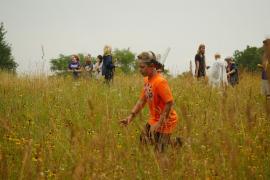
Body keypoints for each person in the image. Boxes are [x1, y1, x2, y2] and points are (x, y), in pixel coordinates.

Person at [120, 51, 180, 153]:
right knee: (143, 139)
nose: (140, 70)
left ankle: (176, 143)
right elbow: (142, 101)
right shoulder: (147, 81)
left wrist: (159, 124)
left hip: (166, 120)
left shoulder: (160, 82)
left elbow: (169, 103)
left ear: (152, 66)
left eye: (142, 67)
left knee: (159, 152)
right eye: (139, 67)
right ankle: (175, 143)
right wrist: (130, 117)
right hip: (154, 119)